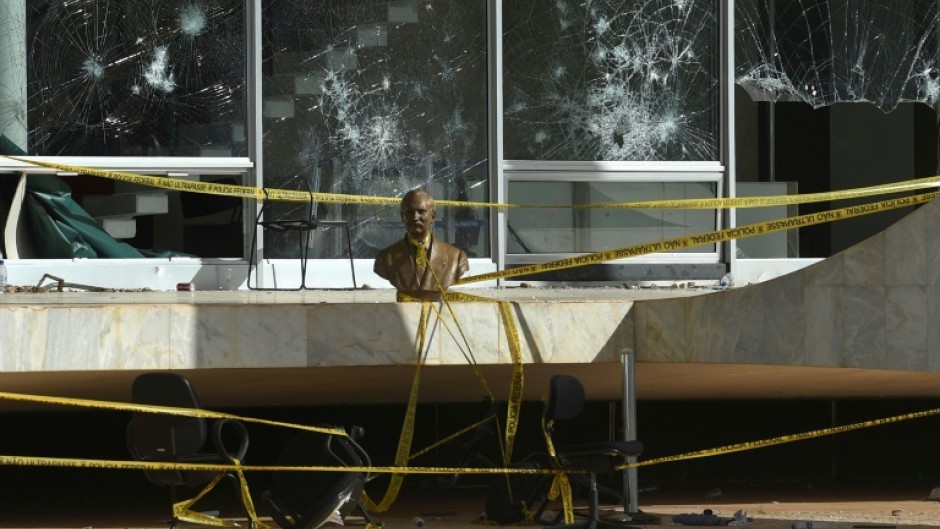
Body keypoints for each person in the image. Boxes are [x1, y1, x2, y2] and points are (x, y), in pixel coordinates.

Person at [374, 189, 469, 301]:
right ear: (403, 217)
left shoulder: (457, 258)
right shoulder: (385, 259)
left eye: (421, 211)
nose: (415, 217)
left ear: (433, 216)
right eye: (409, 212)